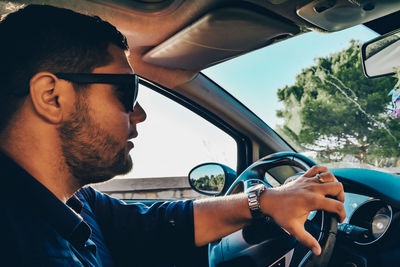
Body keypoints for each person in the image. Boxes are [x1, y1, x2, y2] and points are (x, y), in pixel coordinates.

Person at [0, 4, 346, 266]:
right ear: (52, 97)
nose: (141, 113)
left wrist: (266, 201)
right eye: (127, 91)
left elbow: (159, 224)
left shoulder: (73, 202)